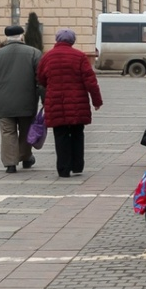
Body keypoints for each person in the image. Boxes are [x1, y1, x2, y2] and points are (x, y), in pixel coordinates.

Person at [37, 28, 103, 178]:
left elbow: (40, 78)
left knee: (60, 135)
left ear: (57, 40)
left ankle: (63, 169)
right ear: (72, 41)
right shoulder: (80, 57)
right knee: (77, 133)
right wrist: (96, 101)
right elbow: (90, 81)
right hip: (77, 102)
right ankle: (77, 165)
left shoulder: (47, 57)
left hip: (55, 101)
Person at [0, 25, 43, 173]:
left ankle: (10, 164)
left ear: (7, 38)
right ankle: (25, 157)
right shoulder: (34, 53)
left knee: (8, 132)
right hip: (27, 101)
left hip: (4, 103)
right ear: (22, 36)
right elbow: (40, 79)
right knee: (25, 129)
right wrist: (41, 96)